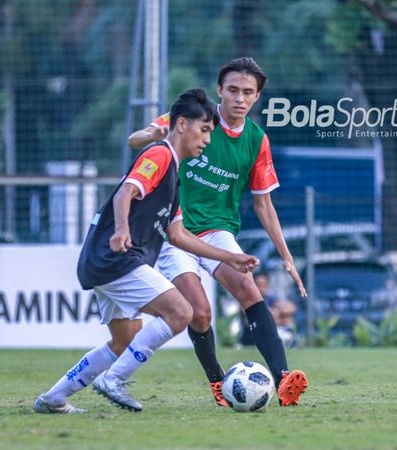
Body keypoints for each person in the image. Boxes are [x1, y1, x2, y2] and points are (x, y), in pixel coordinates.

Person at [33, 88, 259, 414]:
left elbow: (178, 235)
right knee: (182, 312)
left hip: (105, 260)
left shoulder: (174, 176)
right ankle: (115, 380)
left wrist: (231, 257)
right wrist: (122, 229)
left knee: (124, 341)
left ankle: (53, 398)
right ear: (182, 124)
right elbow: (125, 192)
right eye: (205, 130)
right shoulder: (160, 155)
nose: (208, 140)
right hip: (117, 257)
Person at [127, 57, 308, 407]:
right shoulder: (194, 120)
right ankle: (217, 382)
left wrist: (287, 257)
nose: (240, 98)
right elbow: (136, 140)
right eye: (233, 90)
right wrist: (149, 134)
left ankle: (285, 381)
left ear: (257, 98)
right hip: (173, 232)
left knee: (247, 288)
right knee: (200, 311)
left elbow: (263, 205)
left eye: (248, 93)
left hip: (216, 231)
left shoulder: (256, 140)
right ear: (219, 90)